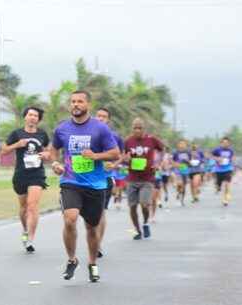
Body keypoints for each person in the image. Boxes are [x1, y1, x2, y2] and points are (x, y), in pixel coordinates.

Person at [48, 90, 120, 282]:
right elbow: (53, 150)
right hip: (70, 182)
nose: (75, 105)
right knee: (70, 219)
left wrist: (96, 156)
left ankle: (92, 263)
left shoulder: (100, 129)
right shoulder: (62, 129)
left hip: (95, 185)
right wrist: (55, 163)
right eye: (72, 101)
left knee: (91, 228)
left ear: (88, 104)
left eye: (80, 101)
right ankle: (72, 259)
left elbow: (115, 153)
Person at [1, 107, 51, 253]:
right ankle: (25, 229)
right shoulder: (16, 133)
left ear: (38, 119)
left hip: (37, 174)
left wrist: (47, 155)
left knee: (32, 206)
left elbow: (49, 151)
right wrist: (17, 144)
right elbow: (3, 150)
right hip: (21, 174)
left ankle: (30, 239)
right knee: (23, 208)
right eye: (30, 115)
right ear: (25, 117)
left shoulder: (42, 134)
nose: (32, 117)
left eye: (35, 116)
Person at [123, 118, 164, 239]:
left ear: (144, 129)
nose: (137, 130)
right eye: (135, 128)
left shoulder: (151, 140)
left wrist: (158, 163)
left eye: (139, 128)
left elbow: (162, 150)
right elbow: (123, 155)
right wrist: (126, 159)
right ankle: (137, 230)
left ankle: (146, 223)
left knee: (144, 204)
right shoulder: (128, 141)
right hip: (132, 178)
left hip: (147, 178)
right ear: (132, 128)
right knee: (132, 206)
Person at [93, 107, 123, 258]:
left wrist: (114, 164)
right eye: (98, 116)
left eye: (103, 116)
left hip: (105, 179)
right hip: (87, 179)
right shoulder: (87, 133)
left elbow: (121, 155)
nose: (100, 118)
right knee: (90, 215)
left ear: (108, 120)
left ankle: (97, 244)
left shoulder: (115, 136)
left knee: (101, 212)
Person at [212, 137, 236, 206]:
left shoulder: (231, 151)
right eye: (224, 143)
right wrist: (217, 158)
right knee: (218, 186)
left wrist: (233, 166)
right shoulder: (217, 150)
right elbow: (211, 156)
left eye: (227, 143)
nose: (225, 144)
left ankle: (225, 199)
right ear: (221, 143)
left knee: (227, 184)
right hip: (219, 170)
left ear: (229, 143)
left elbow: (232, 158)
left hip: (228, 169)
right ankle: (218, 187)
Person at [172, 140, 191, 206]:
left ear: (186, 145)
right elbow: (172, 161)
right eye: (180, 144)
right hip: (177, 170)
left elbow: (190, 162)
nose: (182, 145)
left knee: (183, 186)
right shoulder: (176, 153)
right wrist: (176, 164)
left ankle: (182, 199)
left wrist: (188, 162)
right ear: (178, 145)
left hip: (185, 170)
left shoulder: (188, 153)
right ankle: (178, 191)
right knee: (179, 183)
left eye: (183, 144)